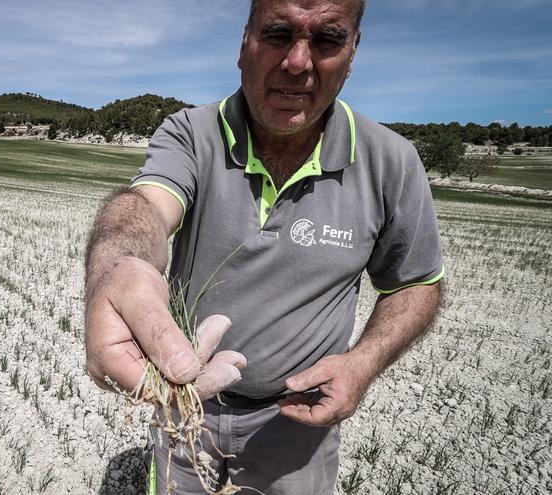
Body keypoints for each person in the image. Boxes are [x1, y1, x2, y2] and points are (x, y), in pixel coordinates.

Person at [84, 0, 445, 493]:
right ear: (244, 44)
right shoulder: (191, 134)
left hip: (296, 425)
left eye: (327, 39)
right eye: (278, 34)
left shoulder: (391, 162)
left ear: (353, 51)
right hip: (186, 406)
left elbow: (415, 284)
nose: (298, 62)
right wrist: (118, 263)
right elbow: (146, 206)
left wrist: (363, 363)